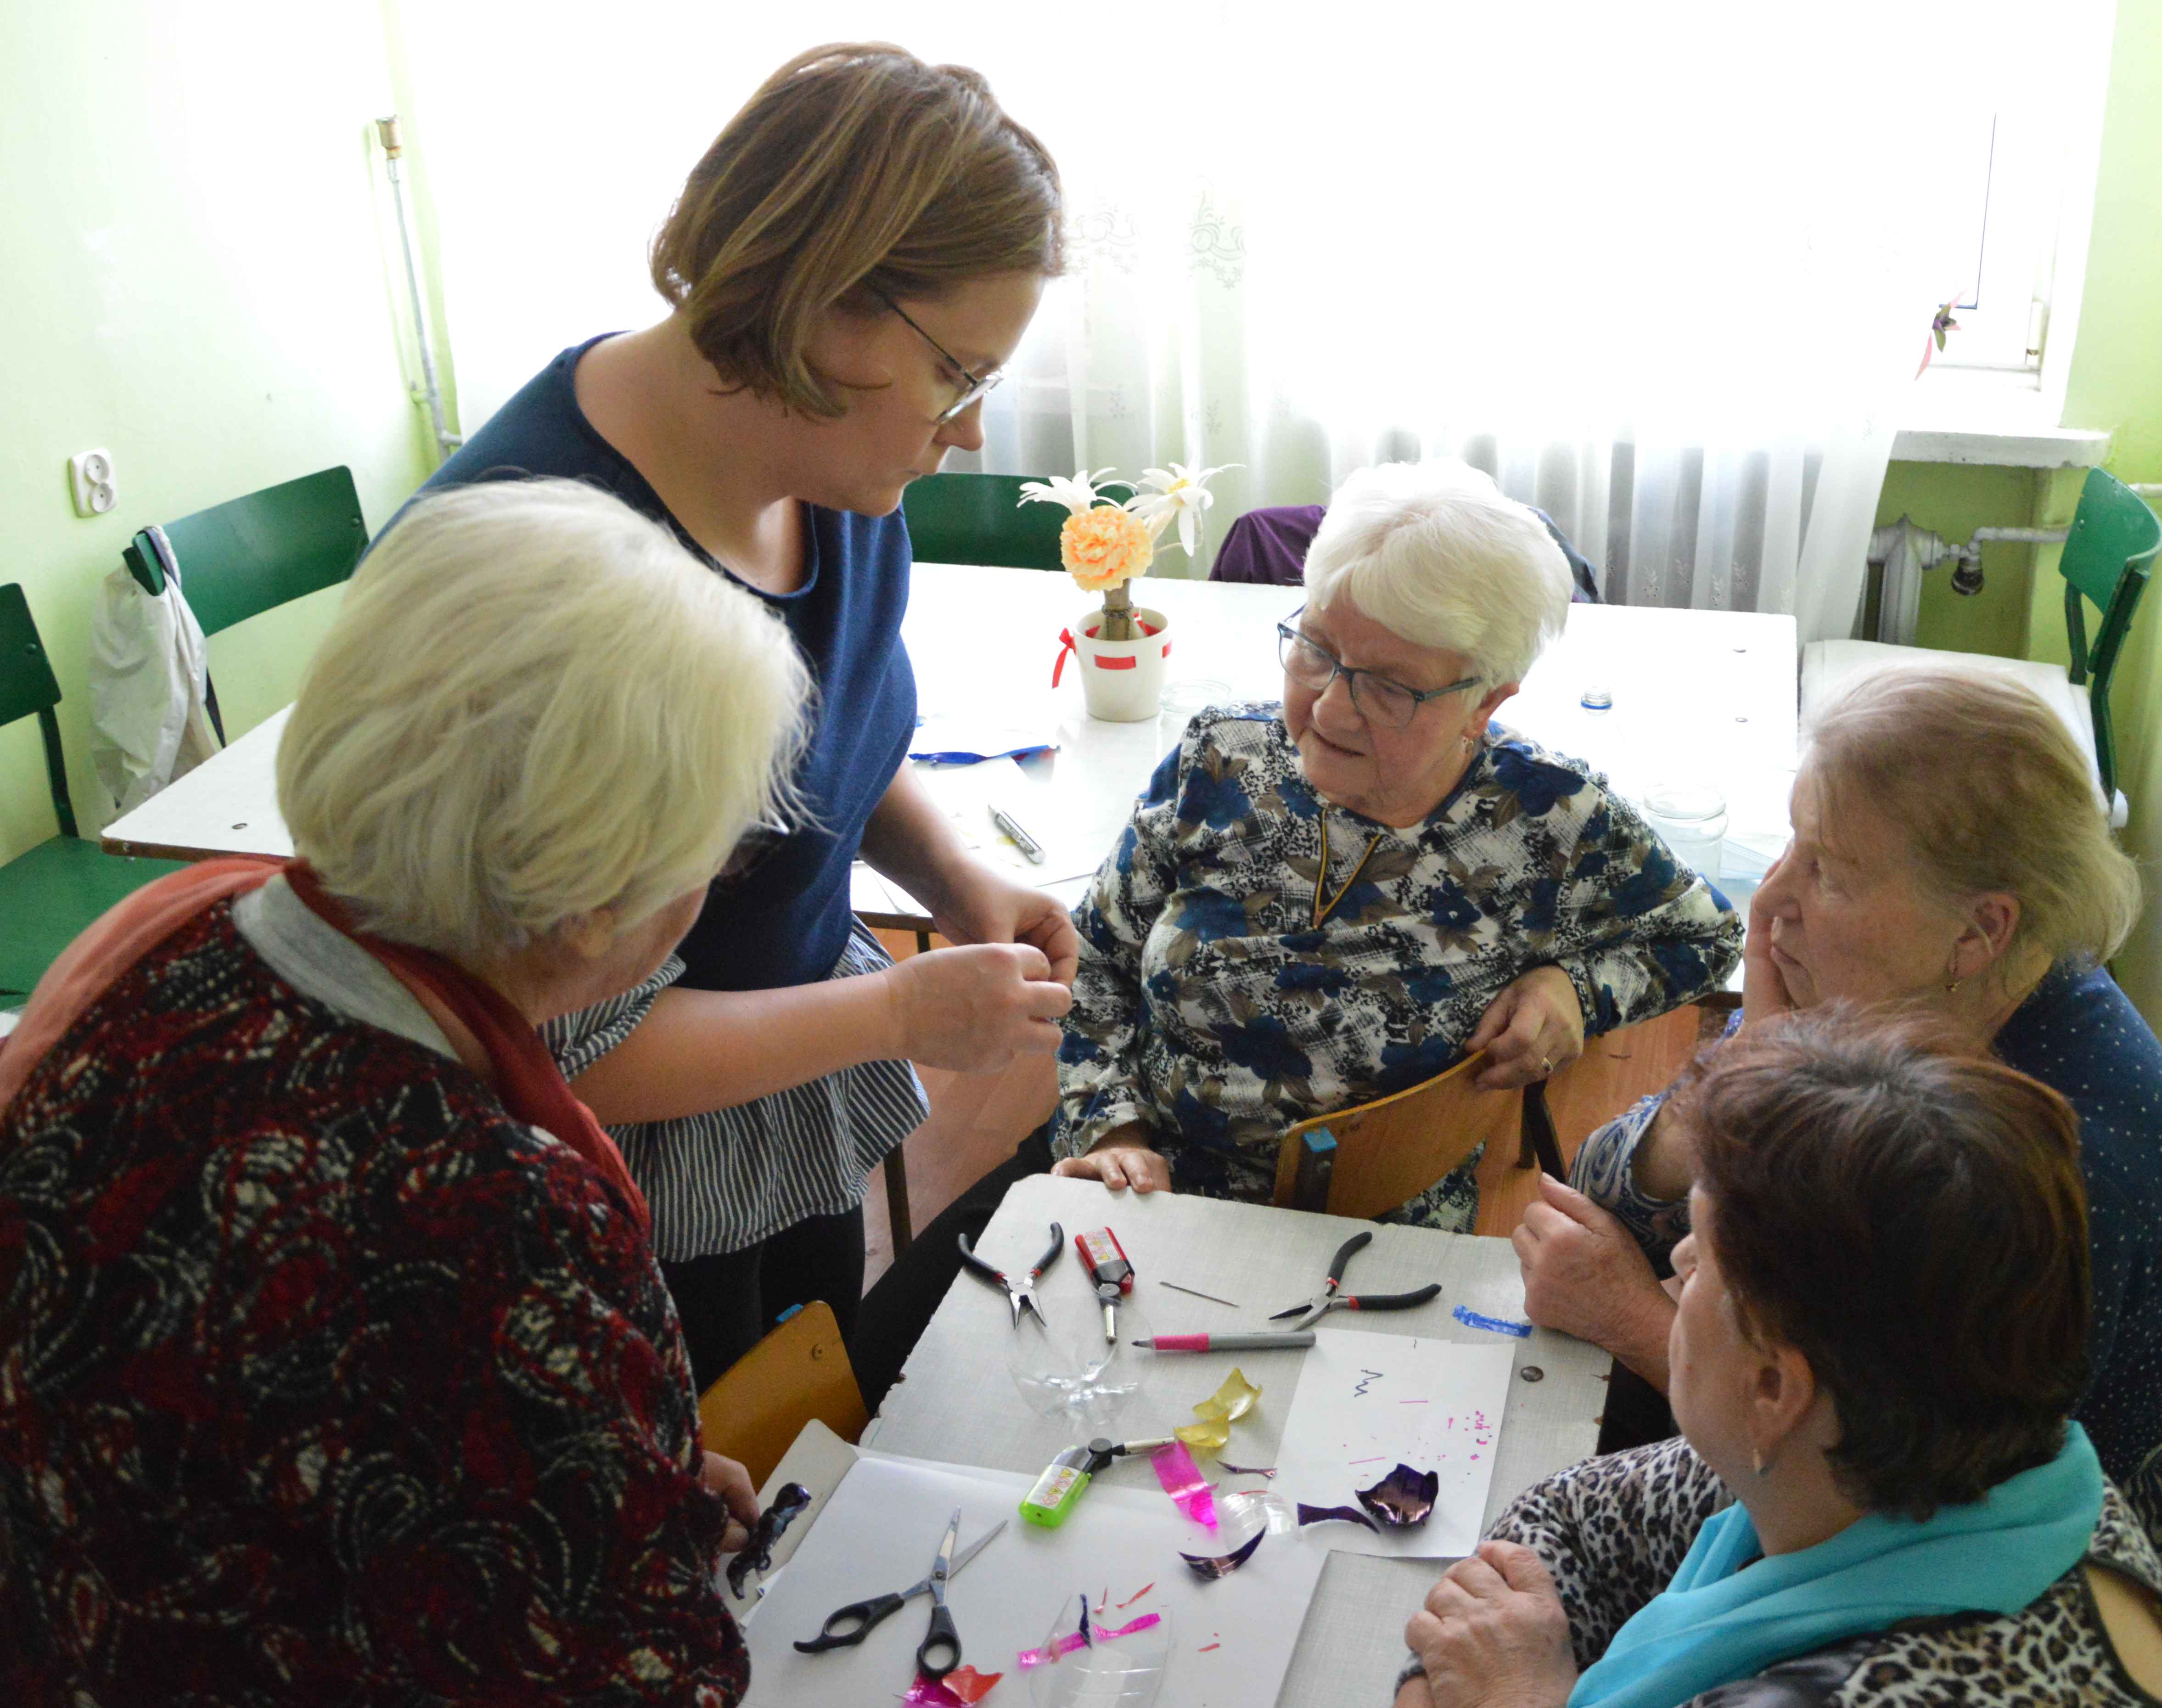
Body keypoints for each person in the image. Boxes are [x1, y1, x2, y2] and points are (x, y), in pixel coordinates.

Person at [0, 483, 801, 1702]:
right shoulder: (485, 1215)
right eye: (718, 850)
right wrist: (629, 1532)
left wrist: (612, 1475)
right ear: (594, 894)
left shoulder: (172, 935)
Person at [410, 43, 1079, 1390]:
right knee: (706, 1478)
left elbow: (818, 756)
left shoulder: (826, 471)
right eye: (956, 375)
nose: (964, 432)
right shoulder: (552, 584)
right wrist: (897, 1016)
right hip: (629, 1161)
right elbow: (555, 1051)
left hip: (775, 1082)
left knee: (801, 1412)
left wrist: (953, 878)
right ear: (829, 307)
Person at [1520, 664, 2162, 1570]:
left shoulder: (2043, 1166)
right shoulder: (1919, 1001)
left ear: (1981, 931)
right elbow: (1606, 1183)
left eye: (1831, 873)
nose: (1772, 904)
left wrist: (1629, 1317)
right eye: (1793, 847)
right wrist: (1755, 1058)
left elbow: (1888, 1501)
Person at [1396, 1013, 2162, 1708]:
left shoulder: (1876, 1687)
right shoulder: (1914, 1454)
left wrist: (1520, 1695)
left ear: (1772, 1388)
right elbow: (1565, 1522)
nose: (1679, 1261)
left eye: (1703, 1254)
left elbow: (1492, 1636)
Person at [1047, 458, 1743, 1224]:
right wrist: (1115, 1128)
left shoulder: (1549, 818)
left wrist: (1574, 991)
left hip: (1381, 1223)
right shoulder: (1221, 759)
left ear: (1485, 702)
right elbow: (1095, 957)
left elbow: (1704, 938)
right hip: (1153, 1196)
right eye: (1316, 650)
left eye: (1389, 687)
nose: (1333, 711)